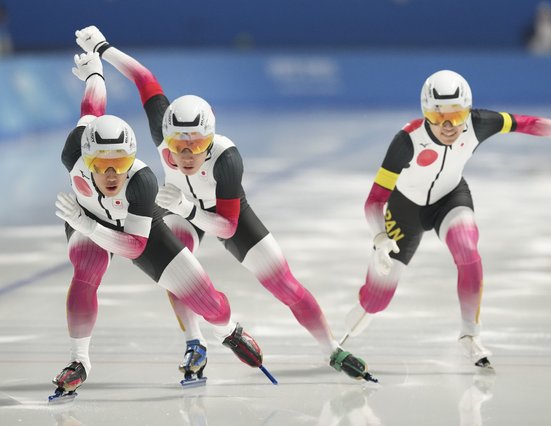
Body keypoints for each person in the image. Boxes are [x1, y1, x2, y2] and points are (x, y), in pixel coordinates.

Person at [74, 26, 376, 382]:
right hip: (181, 211)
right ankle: (194, 341)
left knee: (285, 285)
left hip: (220, 213)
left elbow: (228, 227)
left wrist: (186, 208)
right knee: (177, 271)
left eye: (197, 144)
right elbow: (144, 78)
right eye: (177, 144)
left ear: (211, 139)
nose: (186, 153)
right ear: (165, 136)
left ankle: (332, 350)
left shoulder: (226, 158)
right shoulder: (165, 133)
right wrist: (104, 48)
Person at [340, 69, 551, 369]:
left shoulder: (479, 123)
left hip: (450, 198)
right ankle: (355, 321)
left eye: (457, 114)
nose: (450, 125)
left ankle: (470, 335)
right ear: (425, 113)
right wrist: (379, 238)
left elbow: (529, 124)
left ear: (468, 109)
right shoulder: (406, 141)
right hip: (404, 211)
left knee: (467, 249)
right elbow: (374, 201)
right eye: (439, 117)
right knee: (376, 302)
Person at [51, 52, 265, 400]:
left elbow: (134, 247)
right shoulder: (72, 151)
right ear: (84, 157)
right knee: (86, 267)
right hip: (88, 219)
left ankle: (229, 330)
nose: (110, 174)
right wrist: (94, 75)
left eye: (119, 163)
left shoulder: (142, 182)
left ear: (131, 159)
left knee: (209, 303)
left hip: (135, 229)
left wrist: (85, 225)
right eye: (100, 164)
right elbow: (91, 109)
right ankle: (80, 361)